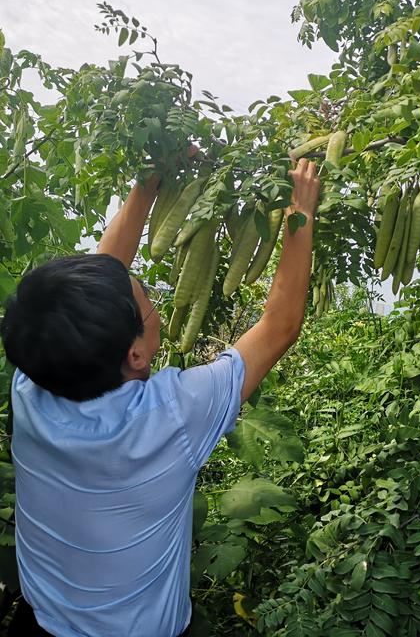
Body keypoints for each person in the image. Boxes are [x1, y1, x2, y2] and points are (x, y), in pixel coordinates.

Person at [0, 155, 321, 637]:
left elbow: (103, 269)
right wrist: (301, 211)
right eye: (147, 303)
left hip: (40, 625)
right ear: (135, 354)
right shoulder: (170, 416)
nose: (150, 299)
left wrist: (150, 183)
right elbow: (279, 326)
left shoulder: (33, 383)